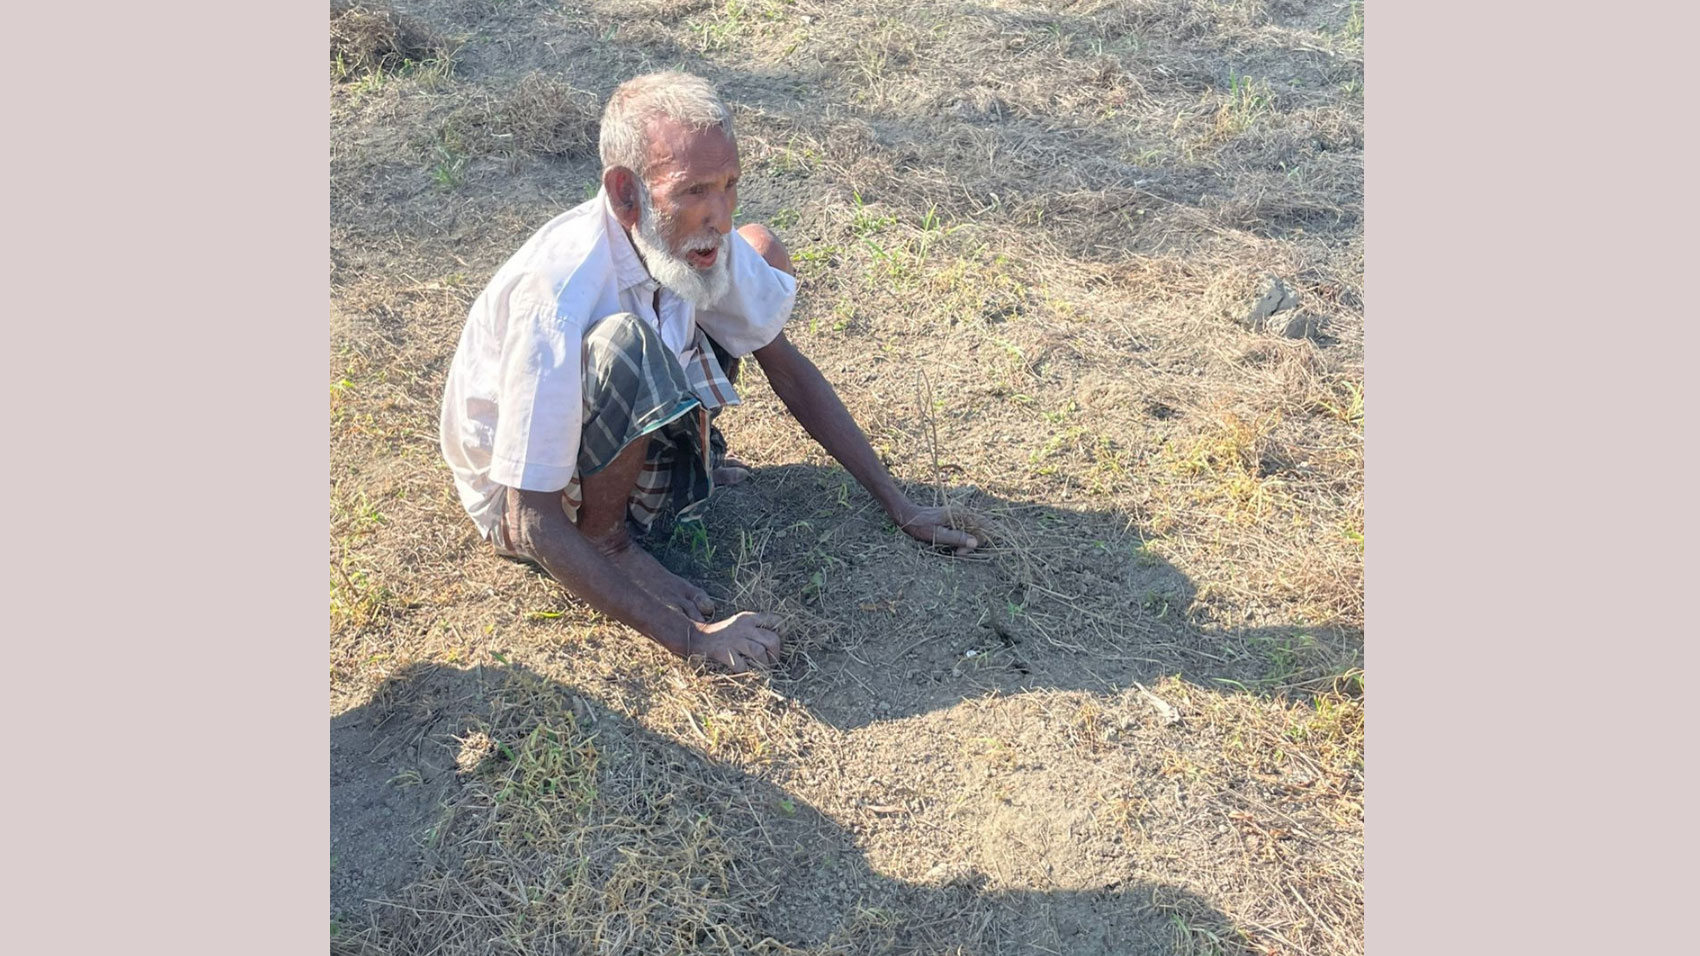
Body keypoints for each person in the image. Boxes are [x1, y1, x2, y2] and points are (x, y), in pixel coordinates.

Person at [440, 71, 978, 674]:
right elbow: (528, 517)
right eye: (693, 191)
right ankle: (608, 537)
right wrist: (692, 640)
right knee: (627, 340)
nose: (717, 214)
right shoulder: (558, 293)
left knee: (755, 253)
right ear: (625, 195)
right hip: (538, 502)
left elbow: (787, 367)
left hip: (602, 436)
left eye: (728, 185)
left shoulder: (685, 237)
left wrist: (899, 503)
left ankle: (674, 468)